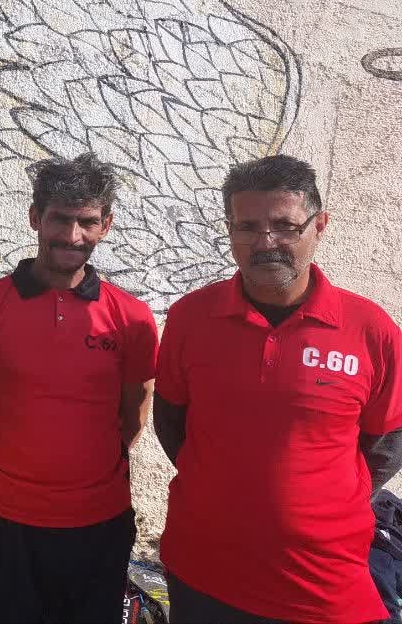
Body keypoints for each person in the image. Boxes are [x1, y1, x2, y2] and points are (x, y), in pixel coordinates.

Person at [154, 154, 402, 622]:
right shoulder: (190, 317)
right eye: (247, 227)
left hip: (322, 583)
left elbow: (387, 444)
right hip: (204, 571)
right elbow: (172, 424)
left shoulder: (371, 331)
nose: (265, 243)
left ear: (319, 225)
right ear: (229, 230)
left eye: (285, 226)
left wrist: (317, 500)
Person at [0, 153, 158, 623]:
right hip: (7, 520)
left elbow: (136, 408)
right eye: (60, 219)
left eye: (87, 221)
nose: (72, 235)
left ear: (106, 225)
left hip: (100, 519)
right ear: (35, 218)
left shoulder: (132, 317)